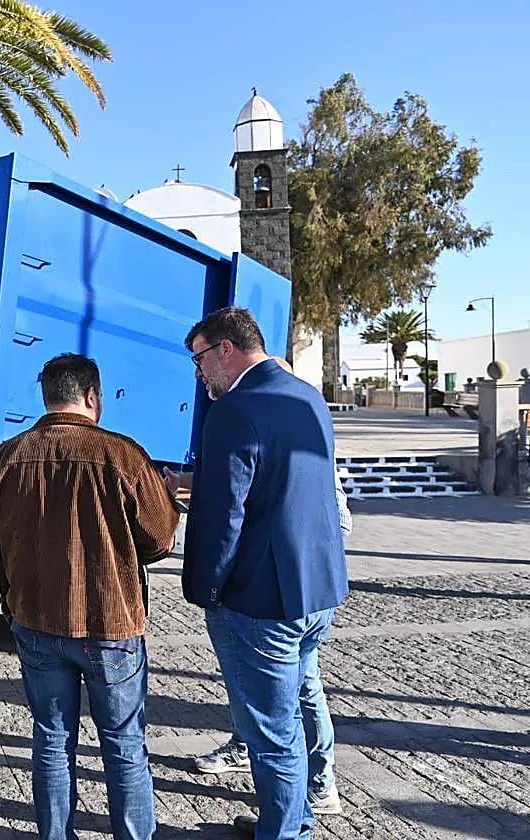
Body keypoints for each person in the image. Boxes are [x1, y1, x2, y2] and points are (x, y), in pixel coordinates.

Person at [0, 353, 180, 840]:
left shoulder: (4, 457)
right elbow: (162, 537)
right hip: (111, 625)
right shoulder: (124, 456)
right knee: (124, 746)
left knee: (52, 742)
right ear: (93, 397)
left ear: (48, 397)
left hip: (36, 621)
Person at [181, 308, 348, 840]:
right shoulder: (307, 396)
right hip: (317, 587)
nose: (199, 373)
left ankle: (287, 831)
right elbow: (287, 478)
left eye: (200, 359)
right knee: (300, 701)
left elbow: (222, 514)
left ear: (226, 349)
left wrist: (205, 588)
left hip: (261, 599)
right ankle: (298, 812)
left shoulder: (233, 410)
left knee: (272, 733)